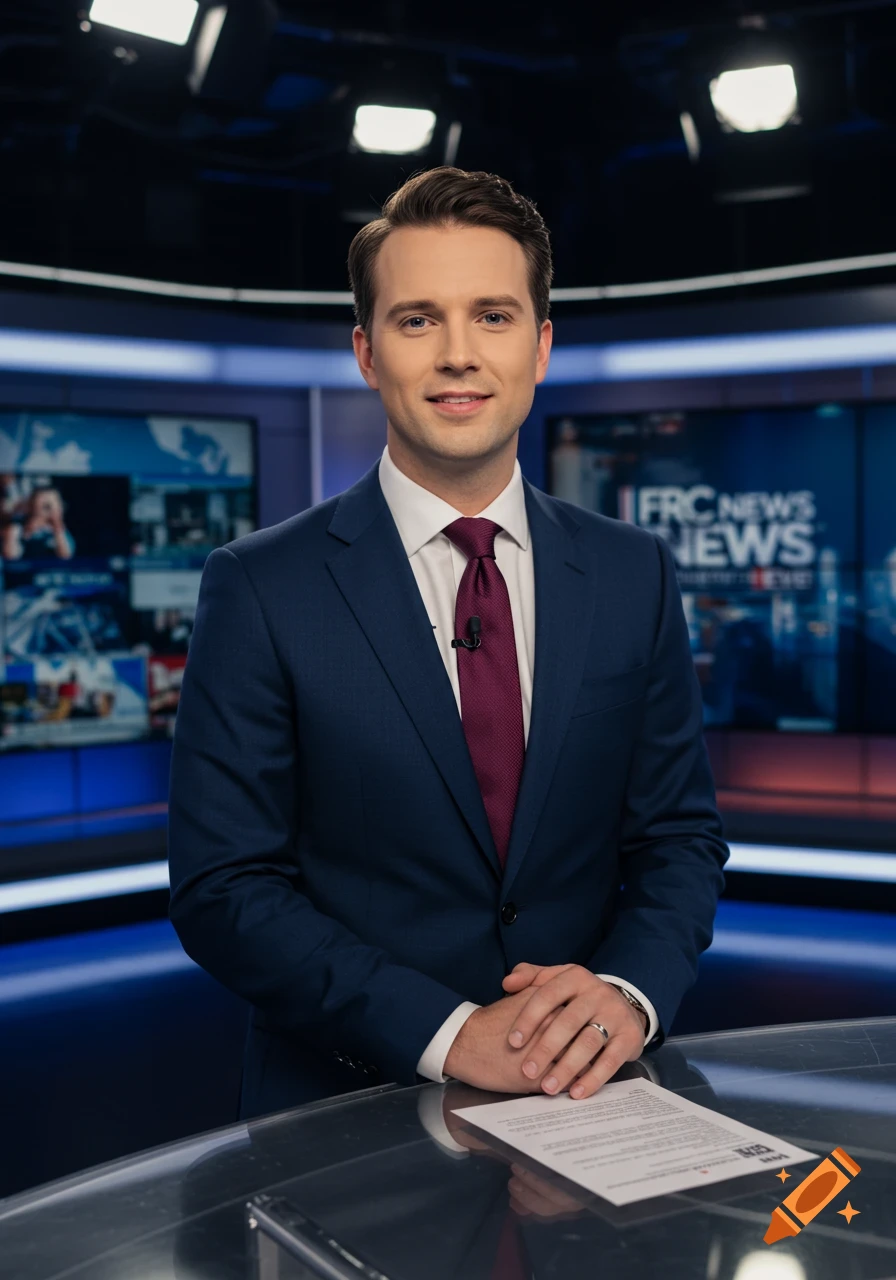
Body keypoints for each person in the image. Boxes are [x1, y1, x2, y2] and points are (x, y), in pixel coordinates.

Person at [167, 166, 729, 1121]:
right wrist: (445, 1031)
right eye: (418, 319)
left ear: (542, 347)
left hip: (590, 1098)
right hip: (343, 1112)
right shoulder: (261, 585)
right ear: (366, 351)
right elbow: (224, 887)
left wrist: (628, 996)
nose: (459, 354)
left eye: (495, 317)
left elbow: (678, 836)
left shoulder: (634, 572)